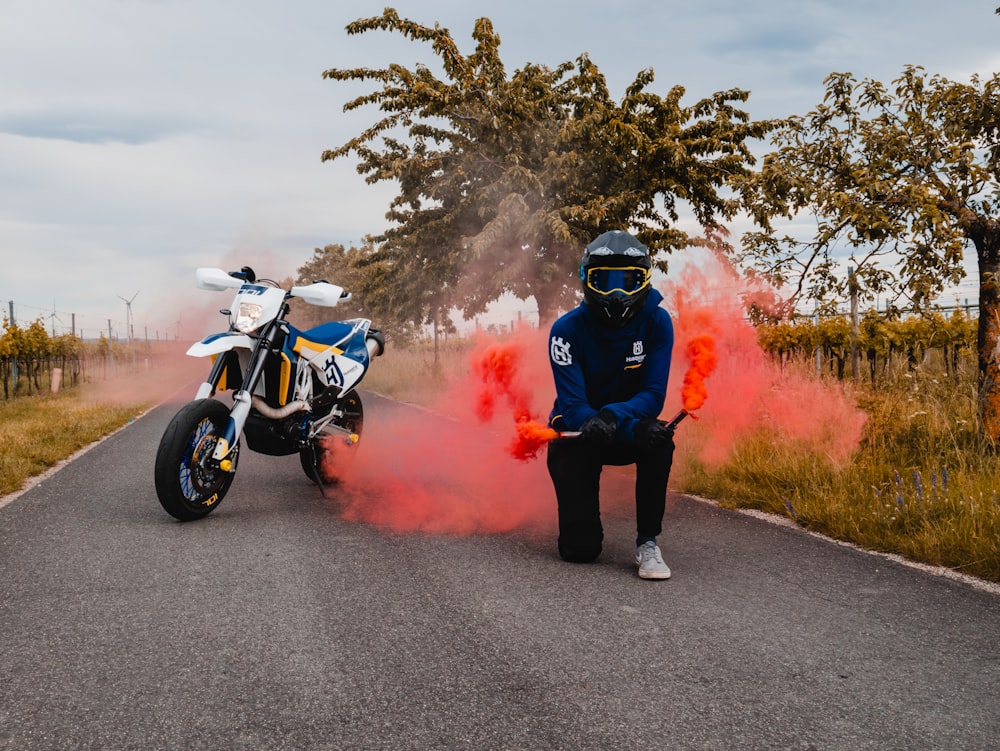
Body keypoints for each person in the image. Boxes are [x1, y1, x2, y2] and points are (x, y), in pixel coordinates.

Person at [546, 230, 675, 579]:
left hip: (624, 426)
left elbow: (653, 395)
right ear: (587, 281)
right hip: (577, 434)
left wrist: (614, 416)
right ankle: (581, 529)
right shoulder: (564, 330)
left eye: (628, 280)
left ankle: (648, 543)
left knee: (660, 437)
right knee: (580, 551)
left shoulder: (659, 321)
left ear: (645, 281)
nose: (617, 293)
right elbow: (572, 405)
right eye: (605, 281)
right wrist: (594, 420)